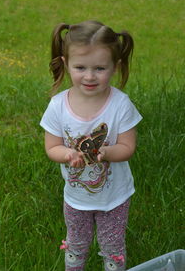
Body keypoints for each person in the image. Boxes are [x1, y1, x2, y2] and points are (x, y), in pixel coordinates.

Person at [40, 20, 142, 271]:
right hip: (75, 198)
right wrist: (67, 154)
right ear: (66, 64)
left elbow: (128, 146)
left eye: (99, 68)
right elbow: (51, 147)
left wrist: (107, 152)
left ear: (115, 67)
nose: (89, 76)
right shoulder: (58, 106)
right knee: (76, 245)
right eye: (80, 67)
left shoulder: (121, 105)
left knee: (112, 248)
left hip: (114, 197)